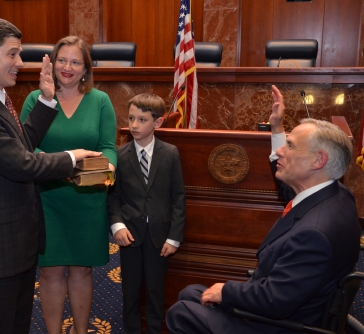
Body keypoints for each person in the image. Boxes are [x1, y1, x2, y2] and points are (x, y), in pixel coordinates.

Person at [166, 85, 361, 334]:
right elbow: (286, 188)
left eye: (290, 145)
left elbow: (275, 300)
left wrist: (226, 291)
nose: (280, 150)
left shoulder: (315, 234)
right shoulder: (335, 193)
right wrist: (277, 127)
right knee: (191, 293)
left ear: (318, 160)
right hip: (296, 303)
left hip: (282, 325)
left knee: (181, 312)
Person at [0, 18, 101, 334]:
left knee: (16, 325)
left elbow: (21, 144)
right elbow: (24, 164)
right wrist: (73, 158)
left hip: (15, 243)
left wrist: (46, 100)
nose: (20, 62)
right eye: (13, 54)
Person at [20, 35, 117, 334]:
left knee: (81, 271)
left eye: (76, 62)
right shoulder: (37, 99)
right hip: (47, 198)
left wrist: (109, 166)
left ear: (86, 68)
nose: (67, 67)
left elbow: (109, 146)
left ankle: (81, 329)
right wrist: (54, 164)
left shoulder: (100, 101)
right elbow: (23, 146)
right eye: (62, 60)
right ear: (52, 62)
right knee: (49, 273)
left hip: (87, 198)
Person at [108, 93, 186, 334]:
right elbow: (113, 197)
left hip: (159, 237)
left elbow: (178, 198)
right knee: (130, 292)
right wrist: (117, 226)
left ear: (158, 123)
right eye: (131, 118)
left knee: (155, 291)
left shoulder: (170, 153)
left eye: (142, 119)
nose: (133, 125)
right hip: (129, 235)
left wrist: (174, 237)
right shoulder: (120, 156)